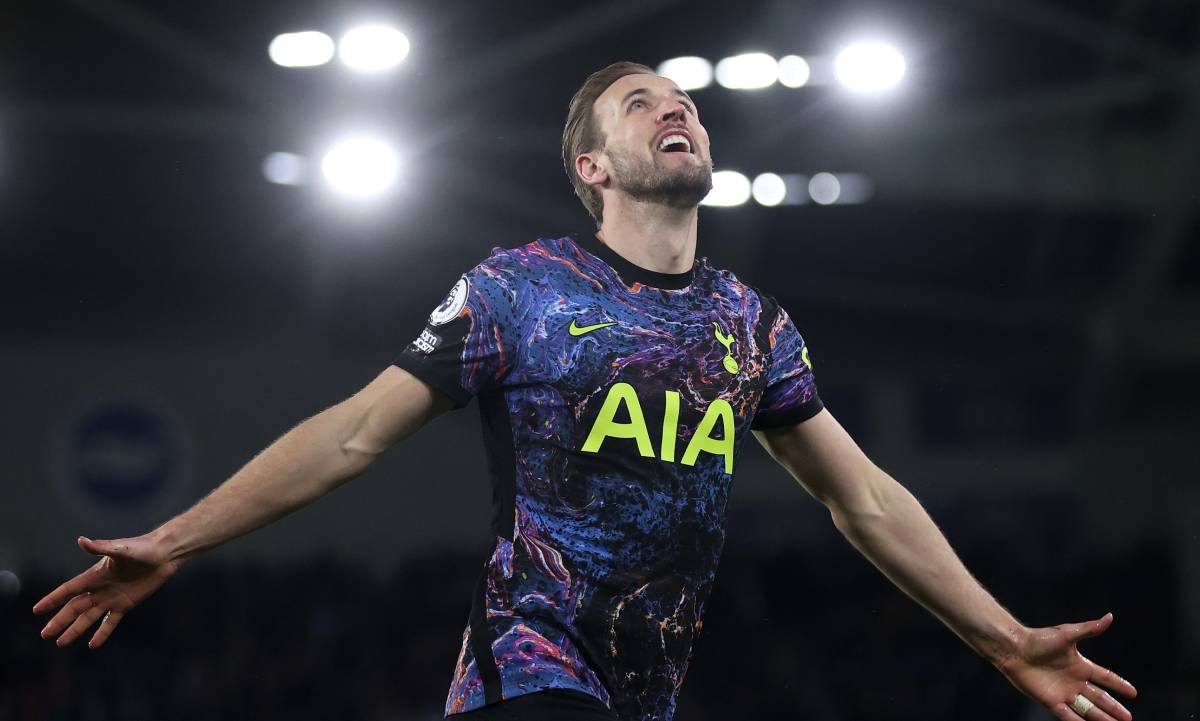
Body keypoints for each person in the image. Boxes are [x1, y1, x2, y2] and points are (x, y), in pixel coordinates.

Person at [33, 61, 1138, 721]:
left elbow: (867, 499)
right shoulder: (519, 289)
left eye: (686, 102)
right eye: (640, 103)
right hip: (528, 667)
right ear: (593, 168)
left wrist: (1002, 638)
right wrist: (172, 541)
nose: (676, 109)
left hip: (644, 691)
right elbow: (356, 435)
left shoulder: (749, 324)